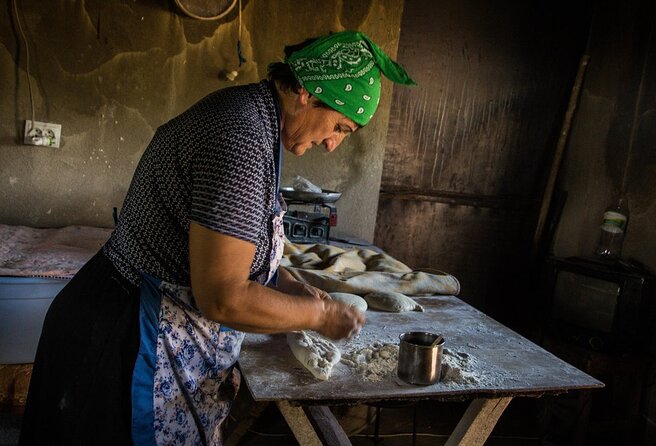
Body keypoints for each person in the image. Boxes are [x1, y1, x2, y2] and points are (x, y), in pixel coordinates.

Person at [19, 30, 415, 445]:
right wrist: (322, 317)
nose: (332, 143)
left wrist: (293, 288)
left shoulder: (258, 122)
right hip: (121, 338)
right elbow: (224, 296)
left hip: (143, 325)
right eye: (339, 126)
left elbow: (242, 244)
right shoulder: (239, 138)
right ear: (305, 92)